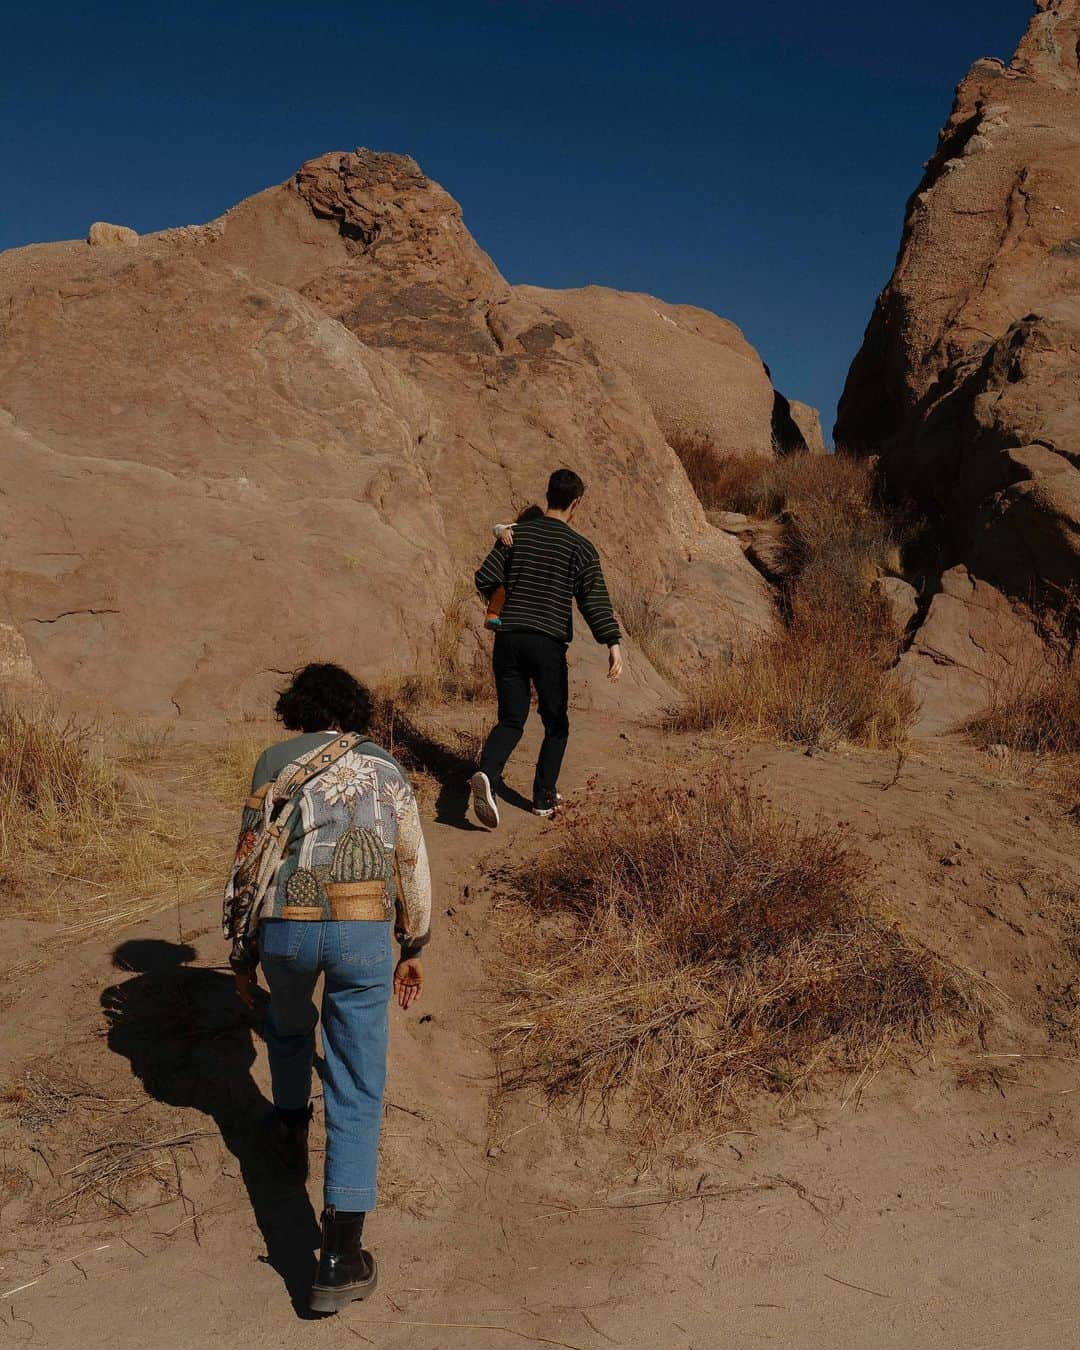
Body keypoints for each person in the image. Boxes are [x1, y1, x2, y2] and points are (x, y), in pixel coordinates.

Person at [223, 662, 431, 1314]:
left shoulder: (273, 761)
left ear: (299, 709)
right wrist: (415, 939)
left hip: (287, 924)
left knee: (286, 1025)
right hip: (363, 931)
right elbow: (411, 857)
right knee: (357, 1080)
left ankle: (288, 1132)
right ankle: (339, 1255)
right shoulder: (387, 769)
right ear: (353, 709)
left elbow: (250, 855)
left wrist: (241, 945)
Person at [470, 468, 623, 826]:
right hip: (547, 643)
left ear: (548, 493)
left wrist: (503, 599)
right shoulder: (580, 548)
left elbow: (485, 576)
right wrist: (612, 642)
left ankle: (488, 775)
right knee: (555, 723)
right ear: (576, 502)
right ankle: (542, 798)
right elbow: (593, 600)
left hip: (508, 640)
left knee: (511, 719)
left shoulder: (514, 536)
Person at [484, 505, 545, 628]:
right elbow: (497, 528)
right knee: (501, 590)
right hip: (512, 576)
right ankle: (492, 615)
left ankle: (494, 615)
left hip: (517, 577)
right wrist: (504, 531)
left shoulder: (528, 535)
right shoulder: (515, 530)